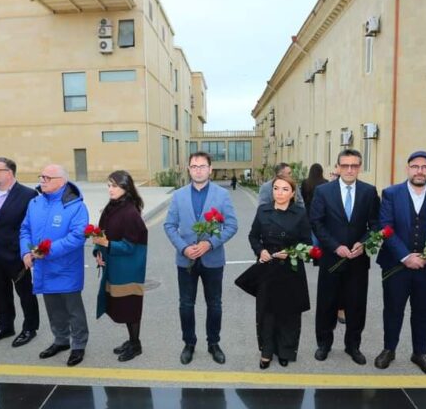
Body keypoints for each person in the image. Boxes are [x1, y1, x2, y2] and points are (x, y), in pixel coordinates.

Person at [375, 151, 426, 376]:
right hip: (396, 265)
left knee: (423, 312)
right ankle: (388, 350)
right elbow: (386, 227)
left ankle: (420, 353)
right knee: (393, 310)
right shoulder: (391, 193)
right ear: (408, 168)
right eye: (415, 166)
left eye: (425, 167)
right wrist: (406, 256)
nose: (420, 171)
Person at [163, 151, 238, 365]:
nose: (198, 170)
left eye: (202, 166)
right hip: (185, 260)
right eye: (194, 166)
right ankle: (189, 343)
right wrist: (184, 247)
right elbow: (169, 225)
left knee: (214, 304)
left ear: (210, 169)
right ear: (189, 169)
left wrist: (210, 243)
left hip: (212, 260)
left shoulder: (221, 195)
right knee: (186, 304)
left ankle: (214, 343)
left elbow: (232, 225)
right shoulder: (179, 195)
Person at [310, 149, 380, 364]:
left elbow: (375, 225)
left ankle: (353, 346)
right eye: (345, 165)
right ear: (338, 167)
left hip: (358, 260)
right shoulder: (323, 191)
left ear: (359, 167)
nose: (350, 169)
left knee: (356, 305)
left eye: (354, 165)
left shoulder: (369, 192)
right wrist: (334, 246)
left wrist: (365, 242)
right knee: (326, 303)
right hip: (332, 259)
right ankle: (324, 344)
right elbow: (316, 222)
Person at [20, 165, 89, 366]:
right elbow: (25, 229)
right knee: (53, 307)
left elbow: (78, 236)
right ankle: (60, 340)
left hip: (65, 266)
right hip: (42, 267)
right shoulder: (35, 203)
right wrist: (26, 251)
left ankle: (78, 345)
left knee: (73, 309)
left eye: (47, 177)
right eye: (41, 176)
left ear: (62, 181)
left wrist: (47, 250)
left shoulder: (75, 206)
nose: (42, 180)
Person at [246, 175, 312, 368]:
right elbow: (253, 236)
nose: (279, 192)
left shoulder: (300, 213)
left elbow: (307, 243)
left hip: (291, 269)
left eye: (284, 189)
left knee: (289, 312)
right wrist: (260, 251)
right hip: (267, 268)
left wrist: (291, 252)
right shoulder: (263, 210)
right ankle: (266, 351)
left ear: (292, 193)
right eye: (276, 188)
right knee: (266, 312)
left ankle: (285, 350)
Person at [0, 157, 40, 347]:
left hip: (16, 253)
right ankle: (5, 326)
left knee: (25, 292)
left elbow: (34, 226)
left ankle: (30, 328)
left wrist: (30, 251)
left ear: (9, 173)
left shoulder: (28, 194)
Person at [91, 170, 148, 362]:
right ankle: (132, 341)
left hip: (128, 269)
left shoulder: (130, 212)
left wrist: (108, 245)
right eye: (108, 185)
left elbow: (130, 246)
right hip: (114, 266)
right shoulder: (112, 207)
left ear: (126, 187)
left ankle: (136, 344)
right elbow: (102, 235)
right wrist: (98, 253)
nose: (110, 189)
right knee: (122, 306)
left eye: (114, 186)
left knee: (130, 307)